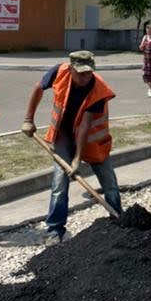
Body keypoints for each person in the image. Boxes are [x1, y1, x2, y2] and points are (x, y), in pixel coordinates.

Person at [22, 49, 122, 243]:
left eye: (89, 72)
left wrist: (77, 159)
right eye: (81, 73)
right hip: (63, 134)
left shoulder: (99, 89)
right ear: (71, 69)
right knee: (60, 181)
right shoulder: (59, 72)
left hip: (92, 139)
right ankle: (55, 229)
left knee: (108, 179)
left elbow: (85, 125)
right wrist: (28, 119)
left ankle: (118, 218)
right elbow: (37, 89)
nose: (86, 77)